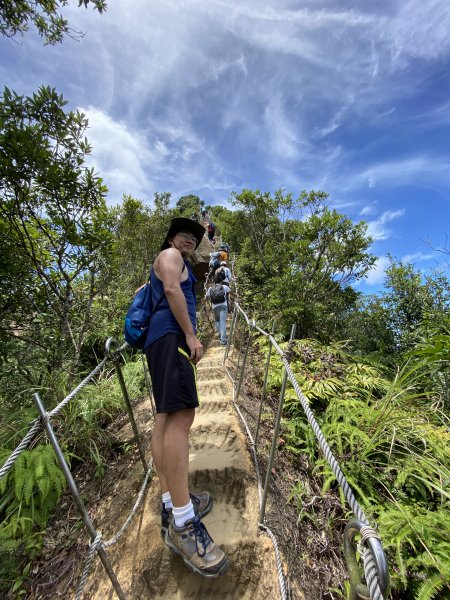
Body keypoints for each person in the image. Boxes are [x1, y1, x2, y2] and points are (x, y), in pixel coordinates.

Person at [143, 217, 229, 578]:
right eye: (184, 234)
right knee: (180, 420)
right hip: (172, 340)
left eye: (195, 236)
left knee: (164, 421)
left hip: (158, 342)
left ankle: (169, 502)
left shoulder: (166, 262)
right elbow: (175, 292)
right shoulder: (170, 256)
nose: (190, 239)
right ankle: (184, 524)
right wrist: (192, 336)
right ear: (170, 238)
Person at [206, 275, 231, 346]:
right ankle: (223, 341)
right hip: (223, 306)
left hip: (215, 307)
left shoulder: (210, 288)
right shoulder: (224, 287)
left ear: (213, 281)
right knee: (222, 322)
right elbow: (231, 293)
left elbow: (207, 297)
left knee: (217, 321)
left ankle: (220, 336)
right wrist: (237, 297)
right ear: (221, 281)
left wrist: (204, 302)